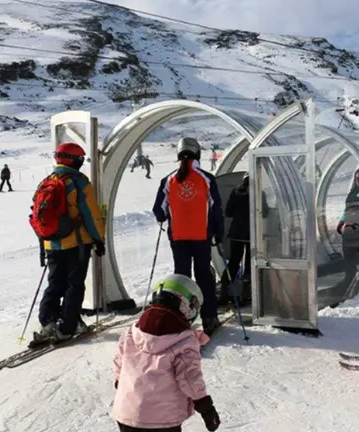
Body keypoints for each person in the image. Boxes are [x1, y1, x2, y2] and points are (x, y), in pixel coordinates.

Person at [113, 274, 221, 432]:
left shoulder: (132, 332)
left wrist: (121, 383)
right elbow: (190, 379)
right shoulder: (184, 342)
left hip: (127, 414)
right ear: (188, 307)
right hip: (162, 421)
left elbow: (119, 364)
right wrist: (206, 408)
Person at [33, 143, 106, 342]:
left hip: (52, 243)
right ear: (73, 160)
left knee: (55, 283)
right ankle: (67, 326)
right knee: (74, 284)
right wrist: (99, 238)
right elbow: (91, 215)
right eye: (80, 159)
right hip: (77, 243)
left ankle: (48, 321)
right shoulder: (79, 182)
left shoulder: (47, 181)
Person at [153, 137, 224, 336]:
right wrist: (218, 232)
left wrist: (168, 215)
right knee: (204, 276)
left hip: (178, 237)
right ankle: (209, 318)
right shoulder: (207, 178)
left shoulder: (168, 180)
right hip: (201, 236)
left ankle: (181, 318)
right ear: (198, 153)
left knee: (182, 277)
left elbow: (159, 211)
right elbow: (216, 209)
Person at [222, 174, 268, 303]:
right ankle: (246, 293)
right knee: (249, 263)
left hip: (236, 234)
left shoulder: (235, 192)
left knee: (233, 262)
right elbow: (265, 213)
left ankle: (225, 289)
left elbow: (228, 212)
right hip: (251, 235)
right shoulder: (259, 193)